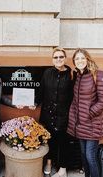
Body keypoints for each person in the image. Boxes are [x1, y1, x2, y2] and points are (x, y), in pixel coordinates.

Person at [67, 48, 103, 177]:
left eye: (82, 58)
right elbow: (76, 100)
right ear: (74, 61)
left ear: (88, 59)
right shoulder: (78, 76)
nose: (80, 61)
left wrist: (89, 113)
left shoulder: (99, 74)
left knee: (91, 156)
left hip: (93, 123)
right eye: (77, 58)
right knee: (84, 156)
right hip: (80, 124)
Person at [32, 47, 74, 177]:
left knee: (63, 142)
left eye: (61, 57)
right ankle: (49, 163)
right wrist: (34, 103)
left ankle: (63, 169)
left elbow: (74, 96)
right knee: (49, 140)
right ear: (52, 59)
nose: (58, 59)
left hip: (64, 114)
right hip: (48, 113)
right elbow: (41, 91)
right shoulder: (47, 73)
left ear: (65, 58)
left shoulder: (72, 75)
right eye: (56, 57)